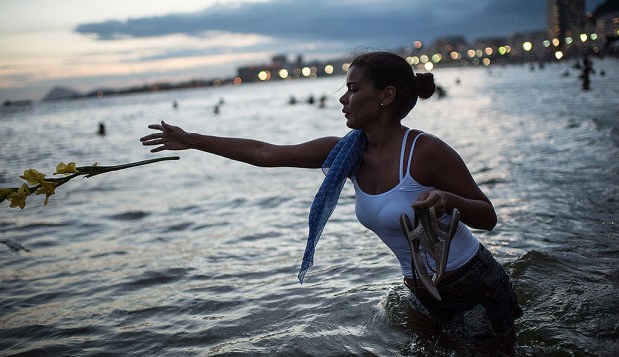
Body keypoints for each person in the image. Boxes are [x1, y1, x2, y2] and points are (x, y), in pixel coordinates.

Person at [139, 51, 522, 342]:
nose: (343, 99)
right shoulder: (347, 155)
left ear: (386, 96)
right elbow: (266, 154)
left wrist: (448, 200)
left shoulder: (424, 151)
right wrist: (192, 141)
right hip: (422, 292)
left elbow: (487, 216)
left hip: (473, 286)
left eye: (353, 90)